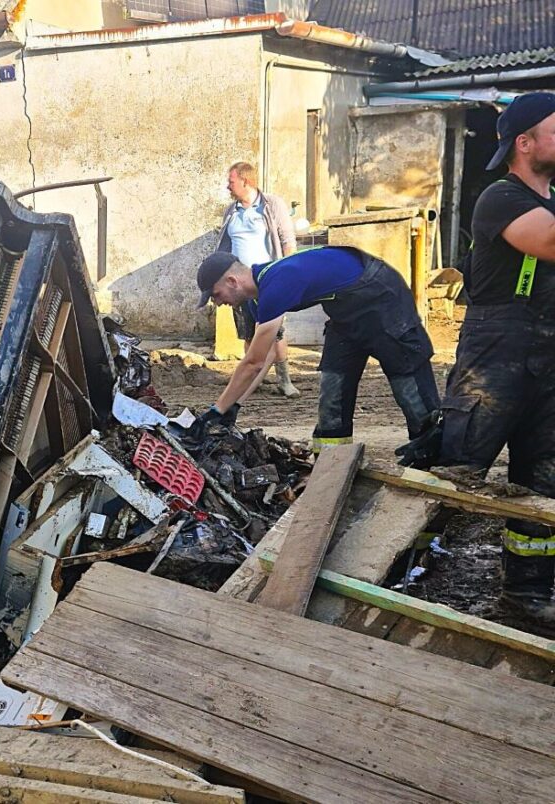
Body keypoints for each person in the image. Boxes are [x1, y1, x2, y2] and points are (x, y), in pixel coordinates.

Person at [414, 92, 555, 624]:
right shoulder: (499, 197)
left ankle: (527, 596)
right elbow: (549, 243)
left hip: (549, 357)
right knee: (456, 470)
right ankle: (399, 571)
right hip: (495, 354)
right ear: (525, 143)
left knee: (543, 481)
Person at [191, 247, 439, 453]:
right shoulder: (257, 301)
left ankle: (432, 448)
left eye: (216, 295)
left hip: (380, 295)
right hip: (346, 314)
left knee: (407, 383)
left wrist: (216, 410)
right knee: (333, 386)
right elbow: (266, 357)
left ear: (232, 281)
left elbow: (252, 362)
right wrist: (234, 406)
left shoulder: (277, 283)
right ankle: (332, 461)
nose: (218, 303)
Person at [212, 161, 300, 398]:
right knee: (248, 330)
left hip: (266, 279)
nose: (227, 187)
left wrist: (285, 271)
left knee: (274, 330)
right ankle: (252, 378)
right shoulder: (231, 211)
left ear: (245, 181)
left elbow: (287, 240)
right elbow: (224, 245)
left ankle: (284, 380)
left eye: (231, 182)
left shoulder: (271, 206)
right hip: (238, 284)